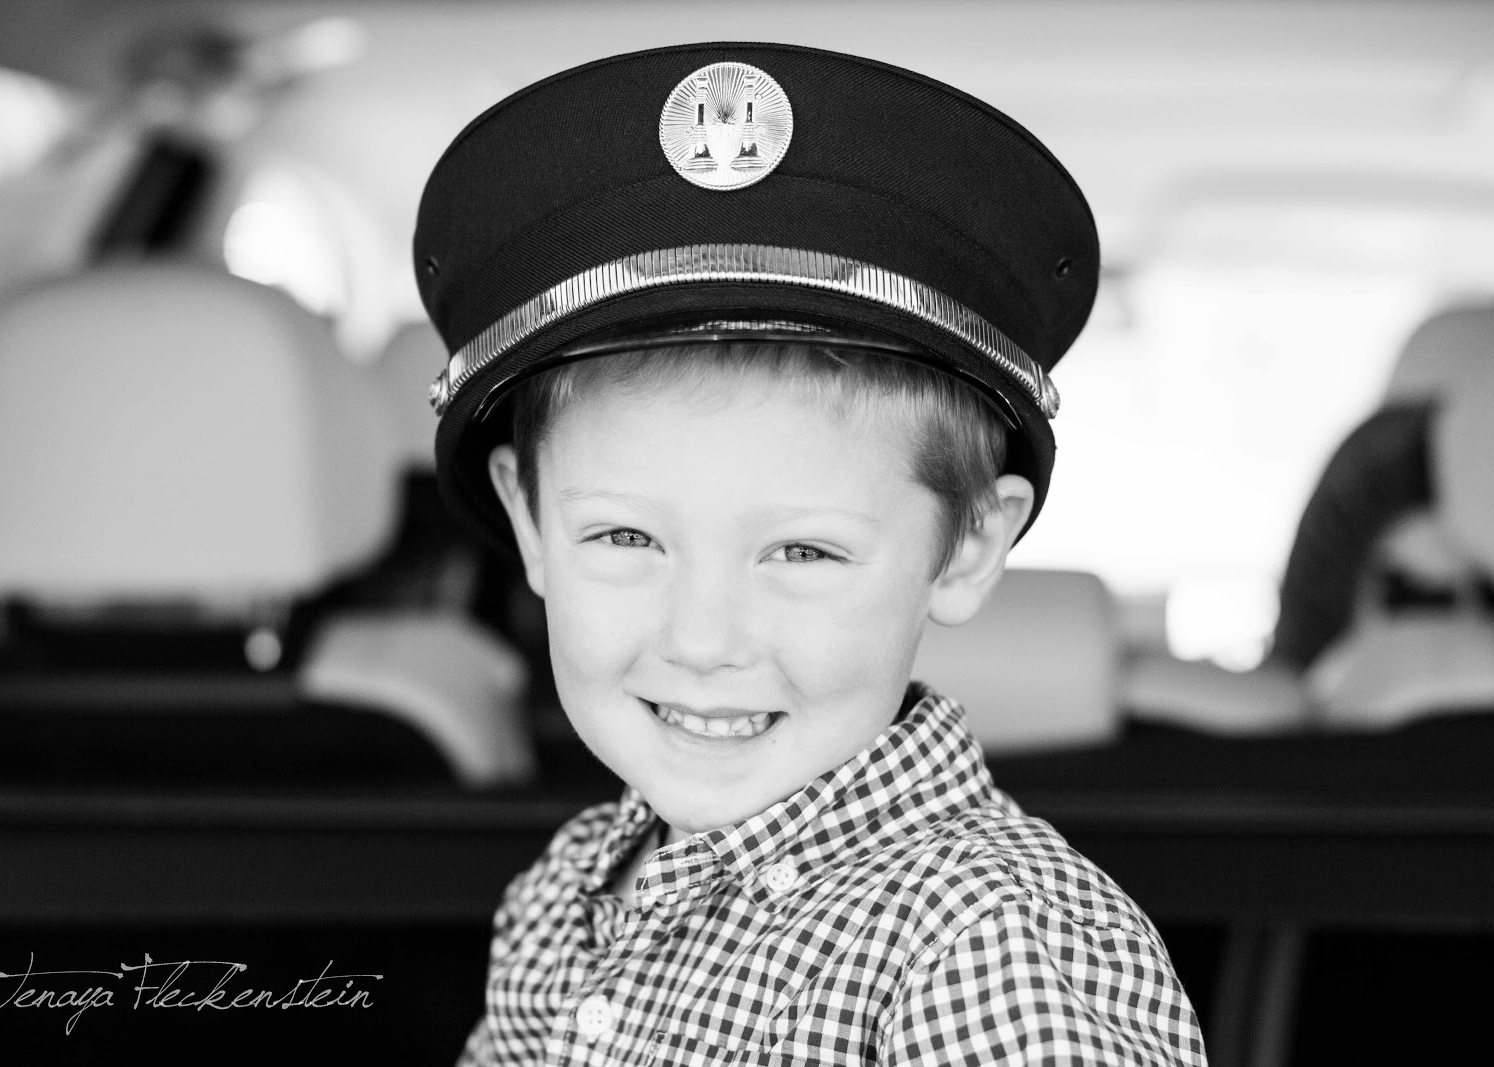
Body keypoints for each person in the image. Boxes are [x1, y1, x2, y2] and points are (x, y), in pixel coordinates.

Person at [416, 43, 1203, 1065]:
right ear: (527, 522)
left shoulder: (982, 942)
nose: (703, 639)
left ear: (968, 547)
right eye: (625, 536)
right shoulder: (564, 890)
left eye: (801, 551)